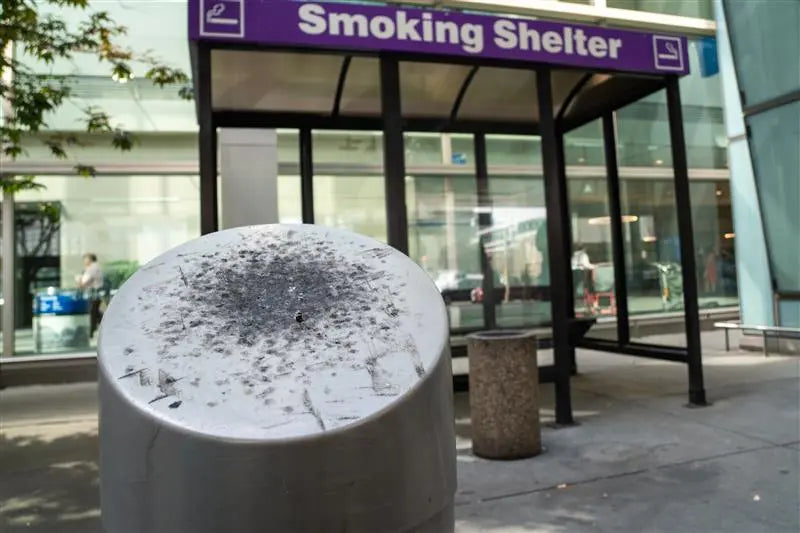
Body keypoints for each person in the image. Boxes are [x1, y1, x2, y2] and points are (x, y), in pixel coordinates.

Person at [77, 253, 104, 338]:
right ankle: (98, 329)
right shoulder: (96, 267)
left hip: (93, 294)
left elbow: (84, 282)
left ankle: (92, 333)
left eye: (85, 259)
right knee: (96, 313)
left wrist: (79, 280)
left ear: (90, 259)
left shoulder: (92, 268)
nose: (84, 261)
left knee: (93, 313)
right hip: (96, 293)